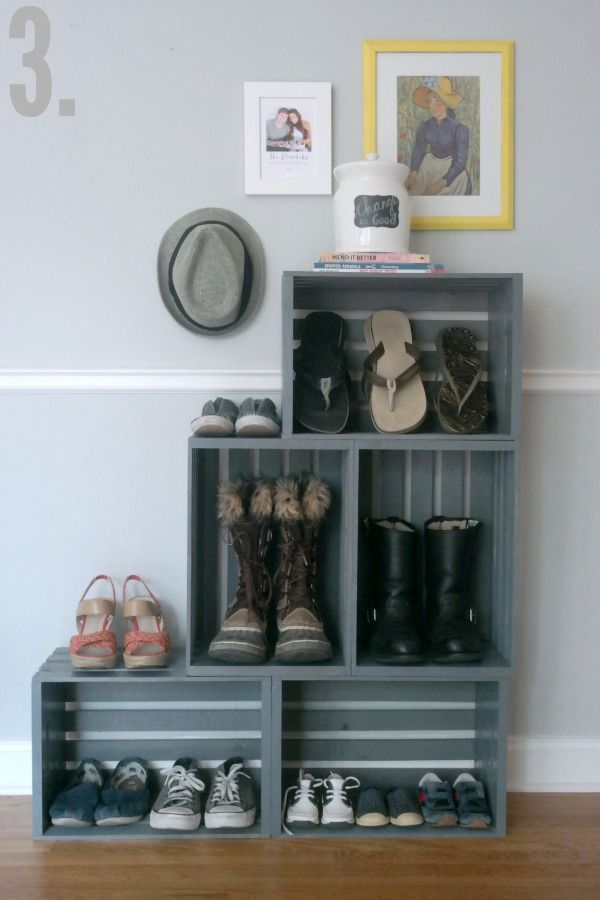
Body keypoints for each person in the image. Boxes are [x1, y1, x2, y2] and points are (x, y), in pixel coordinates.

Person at [405, 77, 472, 196]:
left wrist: (442, 182)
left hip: (451, 169)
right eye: (430, 101)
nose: (432, 106)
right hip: (430, 165)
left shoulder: (459, 129)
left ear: (446, 104)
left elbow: (460, 160)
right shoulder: (425, 126)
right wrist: (414, 171)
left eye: (437, 101)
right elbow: (419, 149)